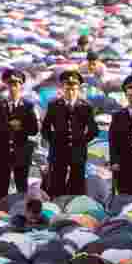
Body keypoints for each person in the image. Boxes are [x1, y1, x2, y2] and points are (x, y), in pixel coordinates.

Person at [41, 70, 98, 198]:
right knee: (56, 182)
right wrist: (54, 141)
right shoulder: (54, 105)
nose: (71, 92)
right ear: (63, 89)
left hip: (77, 151)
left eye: (74, 89)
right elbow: (45, 128)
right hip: (58, 150)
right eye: (68, 89)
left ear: (78, 89)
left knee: (77, 183)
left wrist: (82, 141)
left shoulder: (86, 107)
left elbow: (93, 130)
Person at [0, 69, 40, 205]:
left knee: (21, 187)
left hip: (21, 152)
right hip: (3, 151)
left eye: (16, 85)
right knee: (2, 187)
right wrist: (7, 127)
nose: (13, 88)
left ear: (21, 86)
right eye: (10, 85)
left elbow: (34, 130)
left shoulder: (28, 106)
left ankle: (22, 209)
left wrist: (21, 127)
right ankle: (0, 209)